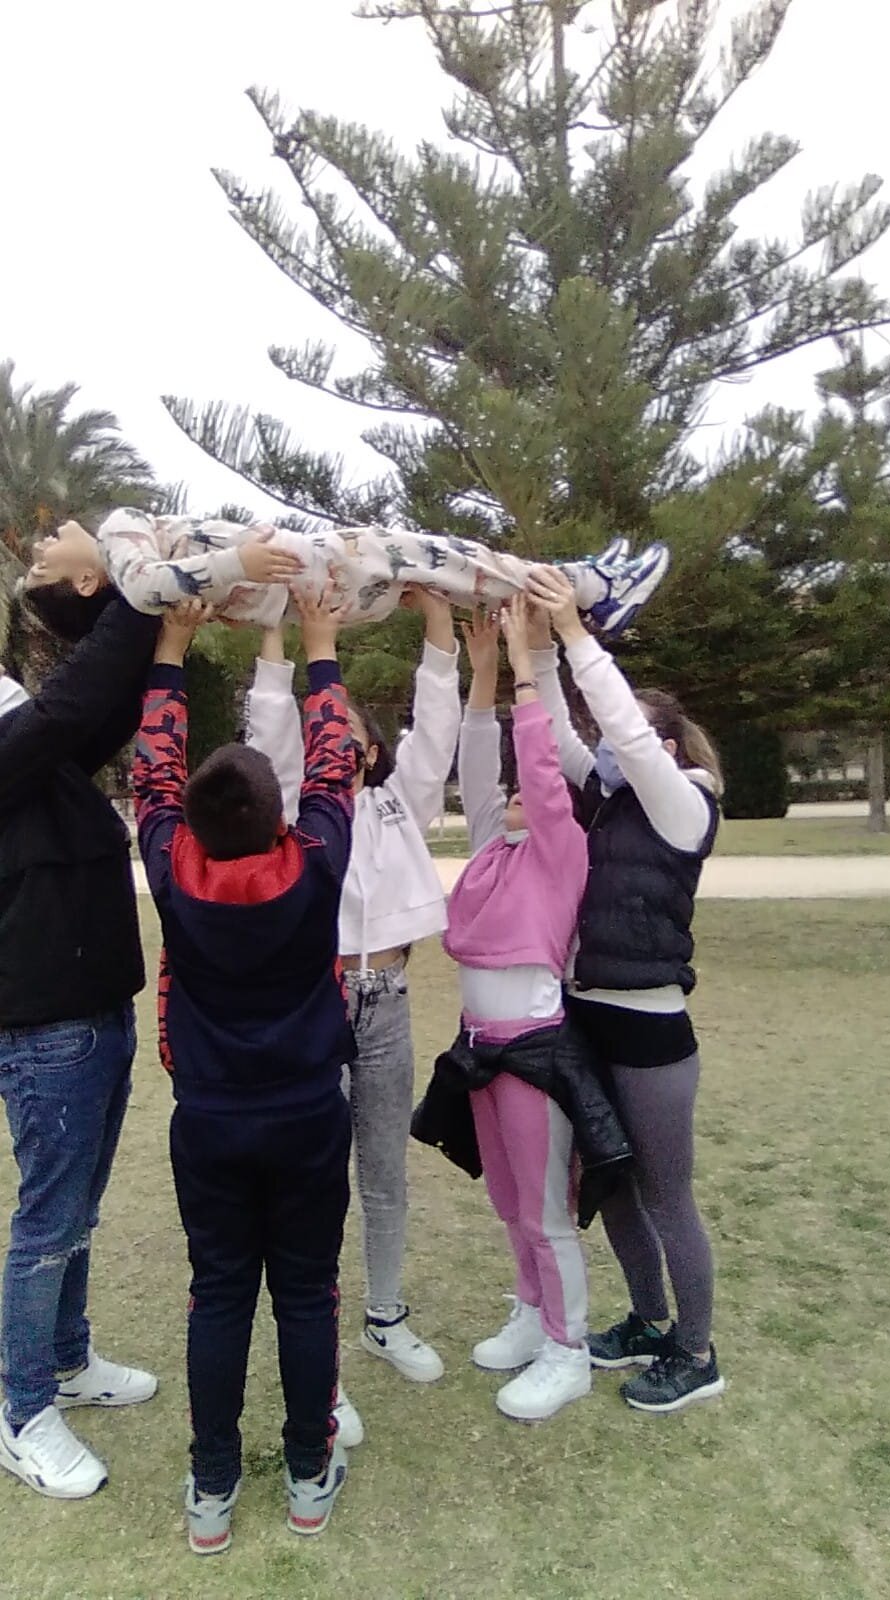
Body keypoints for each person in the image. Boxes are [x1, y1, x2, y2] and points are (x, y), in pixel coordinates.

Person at [133, 588, 357, 1554]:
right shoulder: (313, 861)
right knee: (307, 1294)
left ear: (191, 820)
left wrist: (170, 649)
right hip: (310, 1113)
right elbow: (339, 766)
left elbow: (150, 778)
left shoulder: (172, 865)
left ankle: (213, 1488)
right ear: (280, 818)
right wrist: (321, 648)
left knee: (218, 1294)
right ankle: (309, 1475)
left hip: (212, 1121)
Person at [246, 588, 459, 1442]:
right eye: (332, 736)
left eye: (359, 737)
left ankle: (385, 1312)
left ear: (371, 747)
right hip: (319, 1002)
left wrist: (440, 629)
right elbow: (268, 733)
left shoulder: (402, 800)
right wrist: (273, 632)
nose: (352, 748)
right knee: (314, 1181)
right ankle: (321, 1359)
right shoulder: (302, 809)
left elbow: (437, 731)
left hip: (392, 999)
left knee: (384, 1168)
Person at [525, 564, 725, 1414]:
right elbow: (558, 727)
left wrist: (578, 635)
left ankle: (696, 1350)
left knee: (665, 1195)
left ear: (670, 751)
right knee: (607, 1187)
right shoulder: (605, 800)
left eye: (632, 734)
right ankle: (646, 1321)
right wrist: (530, 647)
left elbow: (629, 740)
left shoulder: (684, 811)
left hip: (651, 1031)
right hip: (587, 1019)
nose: (609, 741)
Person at [0, 603, 160, 1503]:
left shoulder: (41, 764)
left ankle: (66, 1360)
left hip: (96, 1015)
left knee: (78, 1213)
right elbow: (70, 708)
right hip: (45, 1032)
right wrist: (140, 592)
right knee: (49, 1225)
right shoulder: (14, 758)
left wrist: (140, 611)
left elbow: (102, 705)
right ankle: (21, 1414)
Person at [440, 597, 593, 1421]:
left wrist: (530, 667)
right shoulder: (490, 853)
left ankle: (570, 1351)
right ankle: (533, 1315)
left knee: (545, 1212)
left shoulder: (559, 854)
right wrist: (487, 669)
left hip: (534, 1049)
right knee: (510, 1202)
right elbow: (475, 765)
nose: (514, 796)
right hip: (478, 1051)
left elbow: (539, 772)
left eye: (533, 792)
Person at [21, 509, 669, 640]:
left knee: (450, 568)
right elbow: (141, 585)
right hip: (312, 566)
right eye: (38, 564)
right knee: (449, 558)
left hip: (312, 589)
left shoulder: (147, 593)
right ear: (83, 584)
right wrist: (237, 562)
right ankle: (590, 589)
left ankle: (578, 587)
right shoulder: (116, 537)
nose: (43, 542)